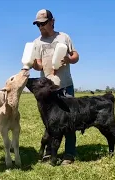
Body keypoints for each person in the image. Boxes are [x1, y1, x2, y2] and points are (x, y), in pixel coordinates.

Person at [31, 9, 80, 165]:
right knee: (50, 123)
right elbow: (38, 66)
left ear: (52, 21)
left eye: (43, 23)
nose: (40, 27)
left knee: (70, 122)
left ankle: (69, 154)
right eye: (38, 24)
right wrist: (33, 64)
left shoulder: (63, 37)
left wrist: (67, 58)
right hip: (48, 89)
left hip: (65, 85)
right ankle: (50, 153)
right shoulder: (37, 42)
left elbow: (76, 56)